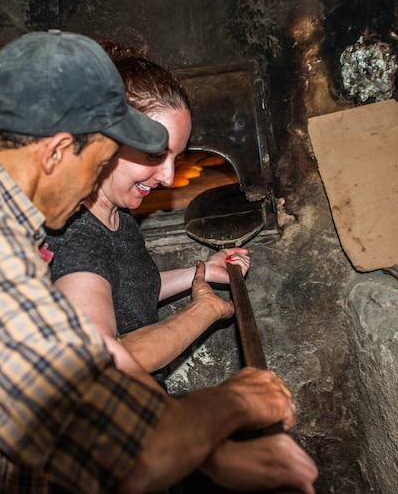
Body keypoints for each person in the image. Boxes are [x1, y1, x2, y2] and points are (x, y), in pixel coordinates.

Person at [0, 29, 314, 494]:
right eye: (98, 165)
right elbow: (139, 454)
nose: (90, 193)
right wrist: (238, 401)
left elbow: (94, 364)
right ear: (56, 151)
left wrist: (216, 456)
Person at [46, 41, 318, 491]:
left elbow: (124, 294)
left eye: (176, 156)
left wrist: (201, 272)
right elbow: (104, 367)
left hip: (143, 416)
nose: (170, 177)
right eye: (156, 154)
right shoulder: (71, 233)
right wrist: (204, 312)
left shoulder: (117, 216)